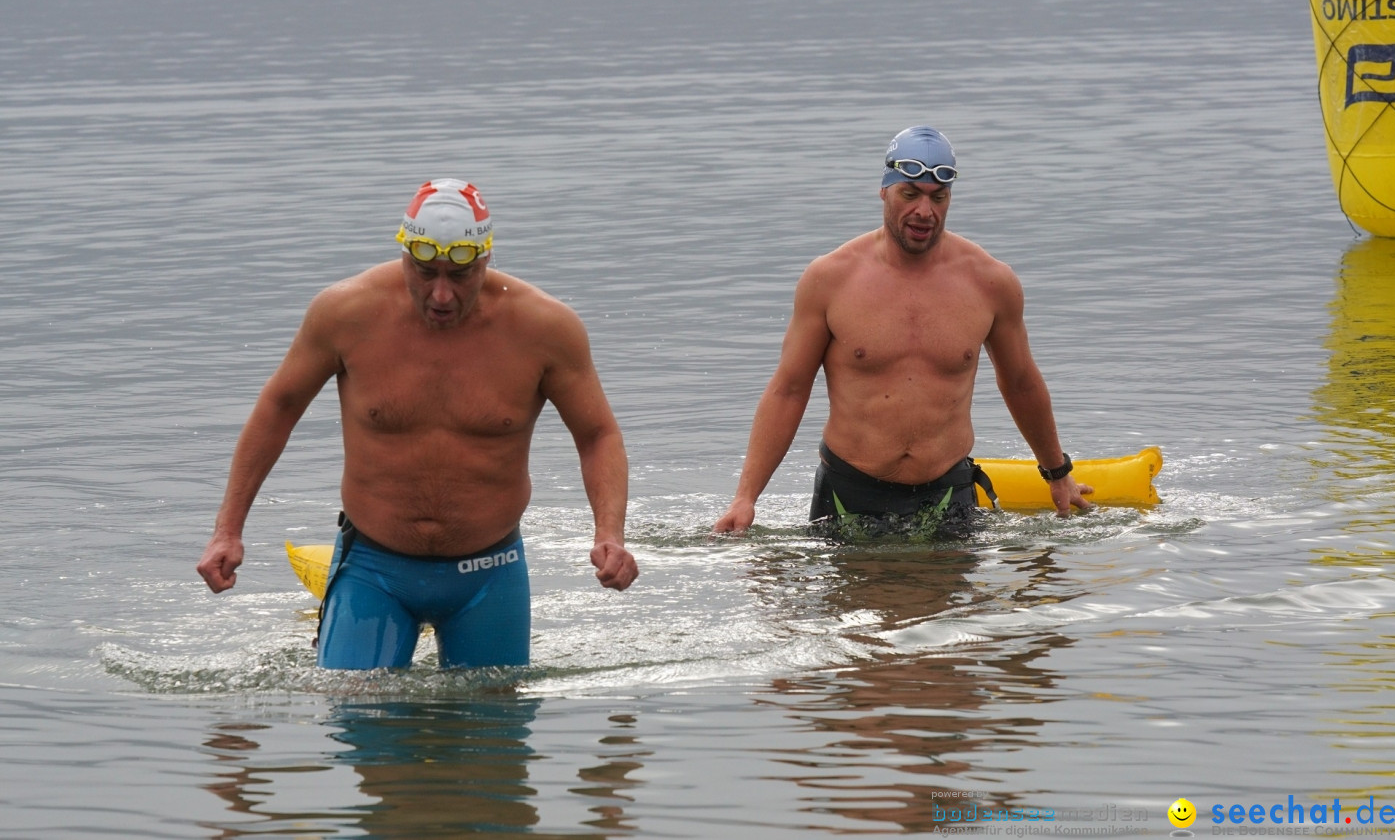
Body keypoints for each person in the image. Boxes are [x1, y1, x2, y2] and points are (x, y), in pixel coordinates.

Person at [197, 178, 637, 669]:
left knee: (493, 733)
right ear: (404, 254)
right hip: (373, 569)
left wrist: (610, 533)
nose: (442, 294)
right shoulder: (346, 313)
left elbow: (597, 434)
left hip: (489, 571)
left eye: (460, 274)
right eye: (425, 272)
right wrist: (228, 530)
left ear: (487, 257)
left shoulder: (544, 328)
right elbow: (278, 409)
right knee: (360, 723)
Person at [714, 127, 1091, 536]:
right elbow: (788, 389)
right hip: (849, 496)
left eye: (938, 197)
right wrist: (745, 497)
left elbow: (1020, 382)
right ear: (884, 192)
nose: (925, 212)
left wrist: (1057, 473)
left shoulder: (990, 282)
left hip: (948, 494)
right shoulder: (830, 279)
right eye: (910, 194)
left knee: (954, 603)